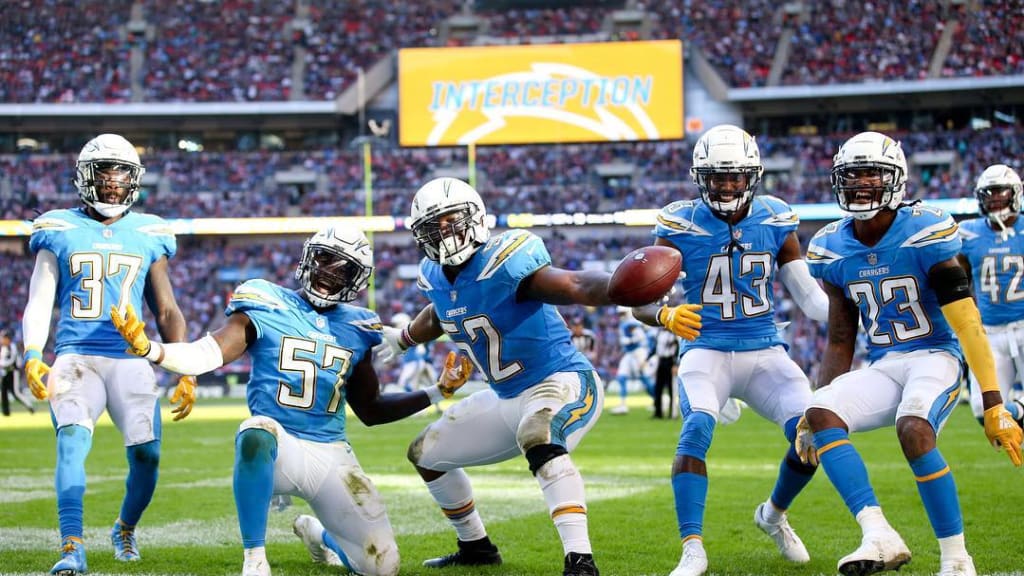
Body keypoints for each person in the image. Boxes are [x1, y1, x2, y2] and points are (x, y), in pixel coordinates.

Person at [375, 176, 701, 576]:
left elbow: (575, 283)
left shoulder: (505, 260)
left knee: (539, 435)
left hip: (560, 380)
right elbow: (440, 312)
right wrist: (404, 337)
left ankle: (580, 562)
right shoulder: (435, 275)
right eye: (434, 227)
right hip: (505, 396)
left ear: (475, 217)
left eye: (452, 220)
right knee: (425, 453)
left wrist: (618, 287)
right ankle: (476, 547)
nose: (445, 233)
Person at [110, 226, 473, 576]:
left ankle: (317, 533)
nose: (329, 273)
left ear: (357, 280)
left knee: (382, 567)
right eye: (325, 259)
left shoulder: (361, 326)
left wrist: (436, 392)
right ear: (307, 258)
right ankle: (254, 558)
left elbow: (371, 410)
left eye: (342, 267)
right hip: (278, 449)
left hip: (331, 454)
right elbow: (210, 352)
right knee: (256, 429)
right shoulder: (265, 300)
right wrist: (153, 350)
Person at [801, 132, 1024, 576]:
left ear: (895, 181)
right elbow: (841, 339)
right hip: (886, 362)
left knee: (913, 427)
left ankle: (957, 559)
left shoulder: (925, 230)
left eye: (872, 173)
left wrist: (995, 402)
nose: (862, 183)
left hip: (936, 356)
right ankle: (878, 534)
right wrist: (819, 402)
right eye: (853, 175)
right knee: (819, 410)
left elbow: (966, 323)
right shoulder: (831, 246)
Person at [632, 124, 830, 576]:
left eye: (734, 176)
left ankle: (774, 516)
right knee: (696, 428)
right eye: (717, 176)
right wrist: (665, 315)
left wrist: (855, 299)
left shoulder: (777, 218)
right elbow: (639, 300)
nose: (725, 185)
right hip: (707, 350)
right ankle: (693, 547)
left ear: (752, 176)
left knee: (812, 435)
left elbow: (811, 300)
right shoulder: (678, 222)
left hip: (765, 350)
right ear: (700, 177)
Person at [20, 133, 194, 576]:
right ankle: (72, 544)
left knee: (148, 456)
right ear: (85, 176)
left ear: (134, 179)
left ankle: (124, 528)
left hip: (130, 359)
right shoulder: (56, 227)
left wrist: (184, 367)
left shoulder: (150, 231)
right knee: (72, 444)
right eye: (105, 172)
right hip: (76, 355)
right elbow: (40, 299)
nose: (113, 182)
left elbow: (167, 308)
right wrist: (33, 351)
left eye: (121, 173)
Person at [956, 164, 1024, 427]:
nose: (994, 198)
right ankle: (1017, 412)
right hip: (990, 334)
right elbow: (955, 286)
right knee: (983, 411)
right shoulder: (968, 233)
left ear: (1015, 193)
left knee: (1005, 412)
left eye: (1000, 191)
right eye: (988, 193)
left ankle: (1016, 410)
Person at [392, 312, 441, 413]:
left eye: (397, 323)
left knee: (405, 383)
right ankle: (432, 408)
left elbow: (420, 347)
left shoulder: (411, 332)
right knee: (430, 386)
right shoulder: (405, 332)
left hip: (417, 362)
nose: (395, 326)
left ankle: (414, 409)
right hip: (422, 361)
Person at [611, 307, 653, 415]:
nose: (621, 315)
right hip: (629, 353)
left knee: (644, 378)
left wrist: (629, 340)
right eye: (620, 313)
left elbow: (642, 337)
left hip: (638, 352)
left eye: (623, 313)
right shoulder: (625, 323)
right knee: (621, 377)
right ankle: (623, 405)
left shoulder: (631, 324)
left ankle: (657, 401)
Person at [1, 329, 35, 415]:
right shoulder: (4, 348)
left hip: (13, 372)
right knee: (4, 392)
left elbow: (12, 361)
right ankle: (6, 412)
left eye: (3, 338)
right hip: (5, 373)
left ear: (8, 339)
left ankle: (30, 406)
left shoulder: (12, 347)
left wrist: (2, 364)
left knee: (15, 392)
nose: (2, 340)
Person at [651, 328, 678, 419]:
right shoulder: (659, 333)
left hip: (670, 361)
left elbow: (677, 349)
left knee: (671, 389)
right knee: (658, 388)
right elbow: (656, 348)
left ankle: (673, 413)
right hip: (661, 360)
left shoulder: (674, 333)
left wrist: (675, 364)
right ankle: (658, 412)